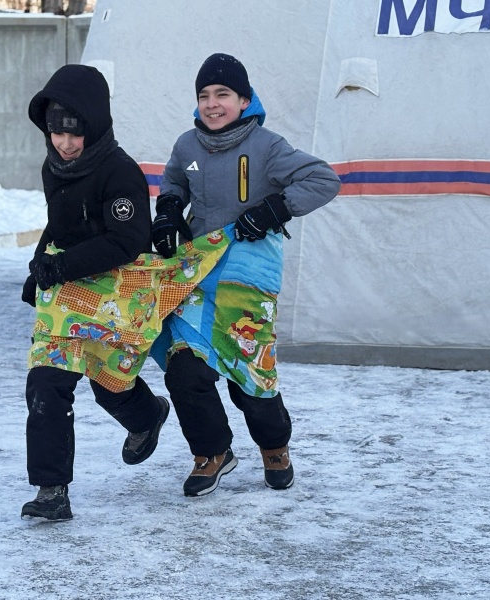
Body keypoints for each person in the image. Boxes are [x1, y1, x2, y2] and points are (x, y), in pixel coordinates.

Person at [152, 53, 341, 497]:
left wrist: (276, 208)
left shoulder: (267, 146)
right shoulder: (187, 145)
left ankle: (274, 446)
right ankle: (211, 452)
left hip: (248, 272)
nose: (212, 104)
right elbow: (174, 181)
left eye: (223, 94)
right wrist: (168, 211)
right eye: (204, 95)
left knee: (248, 369)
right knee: (184, 366)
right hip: (198, 271)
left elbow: (324, 180)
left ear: (244, 99)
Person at [20, 64, 169, 521]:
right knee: (46, 381)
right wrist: (40, 265)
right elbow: (61, 223)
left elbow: (127, 241)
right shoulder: (55, 167)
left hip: (116, 294)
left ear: (96, 125)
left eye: (75, 133)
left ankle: (148, 416)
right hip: (68, 294)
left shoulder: (120, 173)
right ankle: (51, 491)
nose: (65, 143)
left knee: (109, 382)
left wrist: (61, 265)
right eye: (56, 132)